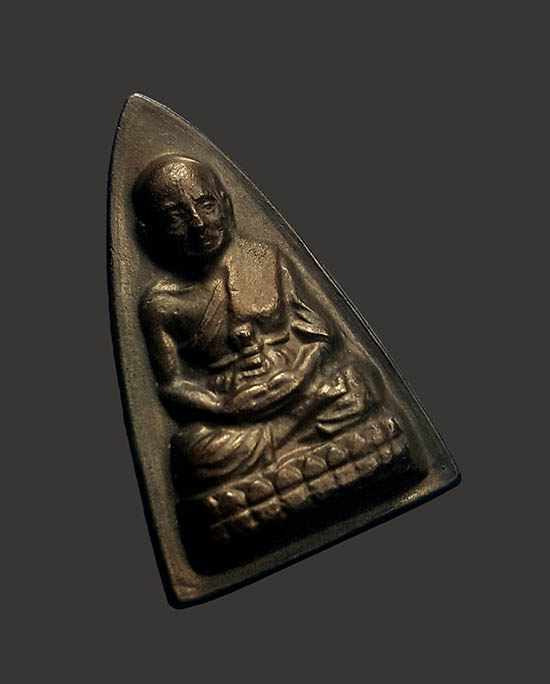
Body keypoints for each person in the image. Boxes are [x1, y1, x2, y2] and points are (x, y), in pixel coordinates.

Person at [134, 156, 376, 499]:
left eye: (206, 205)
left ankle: (288, 446)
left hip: (299, 383)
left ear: (226, 203)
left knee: (357, 384)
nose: (198, 224)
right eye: (175, 218)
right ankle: (298, 441)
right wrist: (224, 406)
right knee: (192, 455)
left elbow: (321, 334)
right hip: (232, 412)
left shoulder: (265, 257)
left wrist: (299, 374)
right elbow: (172, 386)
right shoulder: (160, 305)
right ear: (150, 233)